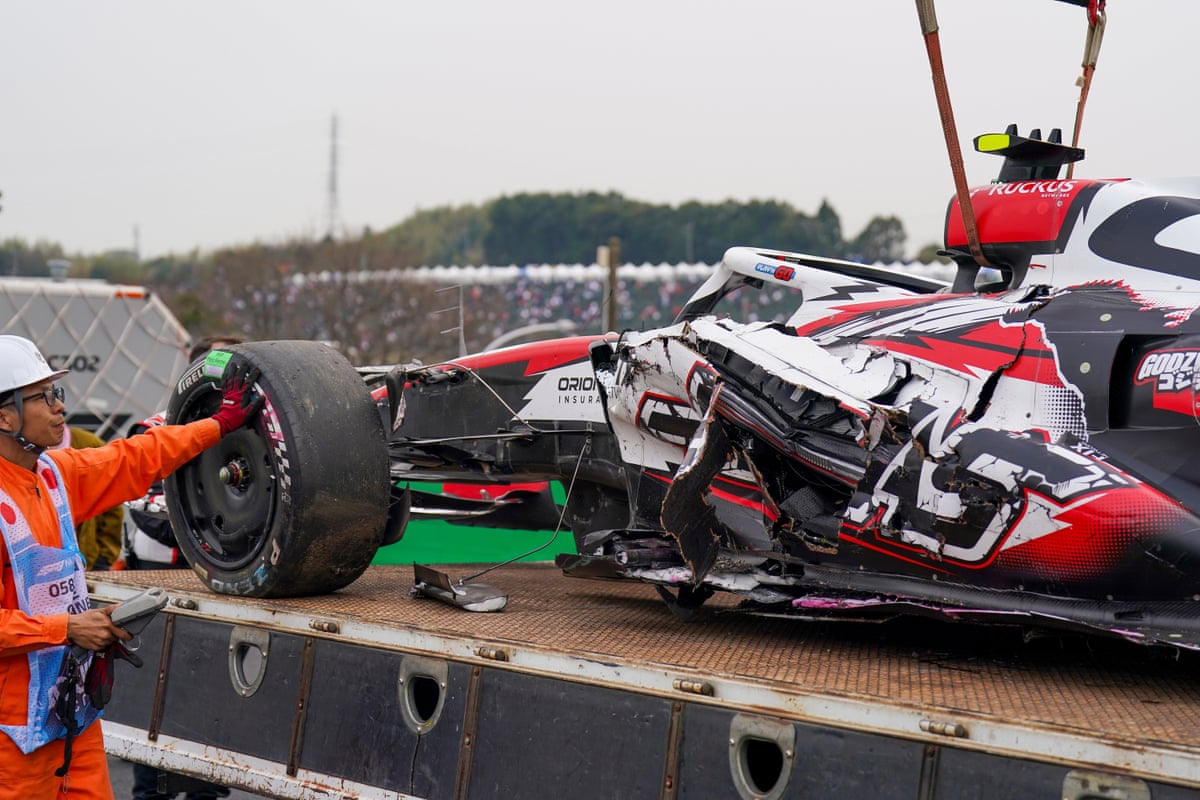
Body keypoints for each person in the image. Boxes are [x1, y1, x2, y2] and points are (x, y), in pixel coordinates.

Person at [0, 334, 262, 799]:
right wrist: (67, 628)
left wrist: (219, 425)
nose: (60, 407)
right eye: (44, 396)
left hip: (71, 717)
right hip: (12, 736)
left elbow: (136, 458)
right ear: (4, 415)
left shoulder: (53, 475)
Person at [124, 335, 243, 800]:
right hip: (157, 604)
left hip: (221, 605)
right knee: (152, 734)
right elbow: (148, 511)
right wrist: (225, 536)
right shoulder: (153, 430)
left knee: (212, 741)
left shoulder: (259, 438)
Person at [53, 427, 123, 571]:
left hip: (88, 561)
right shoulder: (17, 451)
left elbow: (113, 503)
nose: (58, 408)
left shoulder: (89, 444)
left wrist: (105, 556)